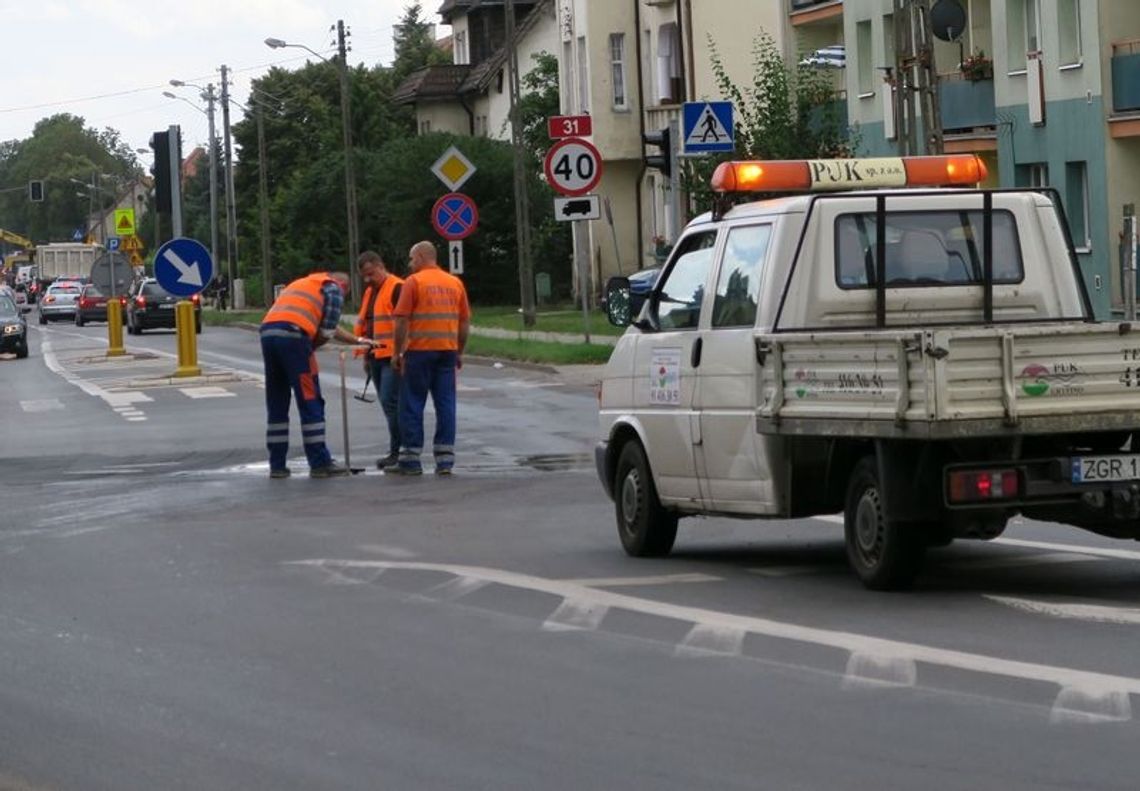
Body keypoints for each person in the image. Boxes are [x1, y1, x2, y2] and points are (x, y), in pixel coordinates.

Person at [260, 269, 360, 479]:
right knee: (310, 399)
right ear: (345, 287)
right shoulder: (333, 288)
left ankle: (277, 465)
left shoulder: (304, 283)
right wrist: (309, 349)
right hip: (294, 336)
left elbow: (329, 327)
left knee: (277, 400)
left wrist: (357, 341)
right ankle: (319, 463)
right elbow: (326, 332)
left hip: (269, 334)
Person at [391, 241, 470, 476]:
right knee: (445, 403)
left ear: (421, 257)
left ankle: (410, 459)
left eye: (411, 258)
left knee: (412, 403)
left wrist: (397, 352)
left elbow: (402, 319)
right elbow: (464, 322)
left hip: (419, 351)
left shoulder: (413, 282)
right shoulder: (455, 283)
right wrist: (459, 351)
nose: (409, 263)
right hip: (446, 351)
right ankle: (445, 459)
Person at [353, 251, 404, 470]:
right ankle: (398, 449)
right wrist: (365, 354)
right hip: (375, 356)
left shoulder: (397, 287)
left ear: (381, 266)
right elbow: (367, 325)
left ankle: (398, 452)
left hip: (392, 356)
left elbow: (404, 323)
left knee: (390, 403)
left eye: (371, 274)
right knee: (388, 404)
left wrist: (400, 353)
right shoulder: (370, 292)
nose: (368, 279)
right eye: (364, 276)